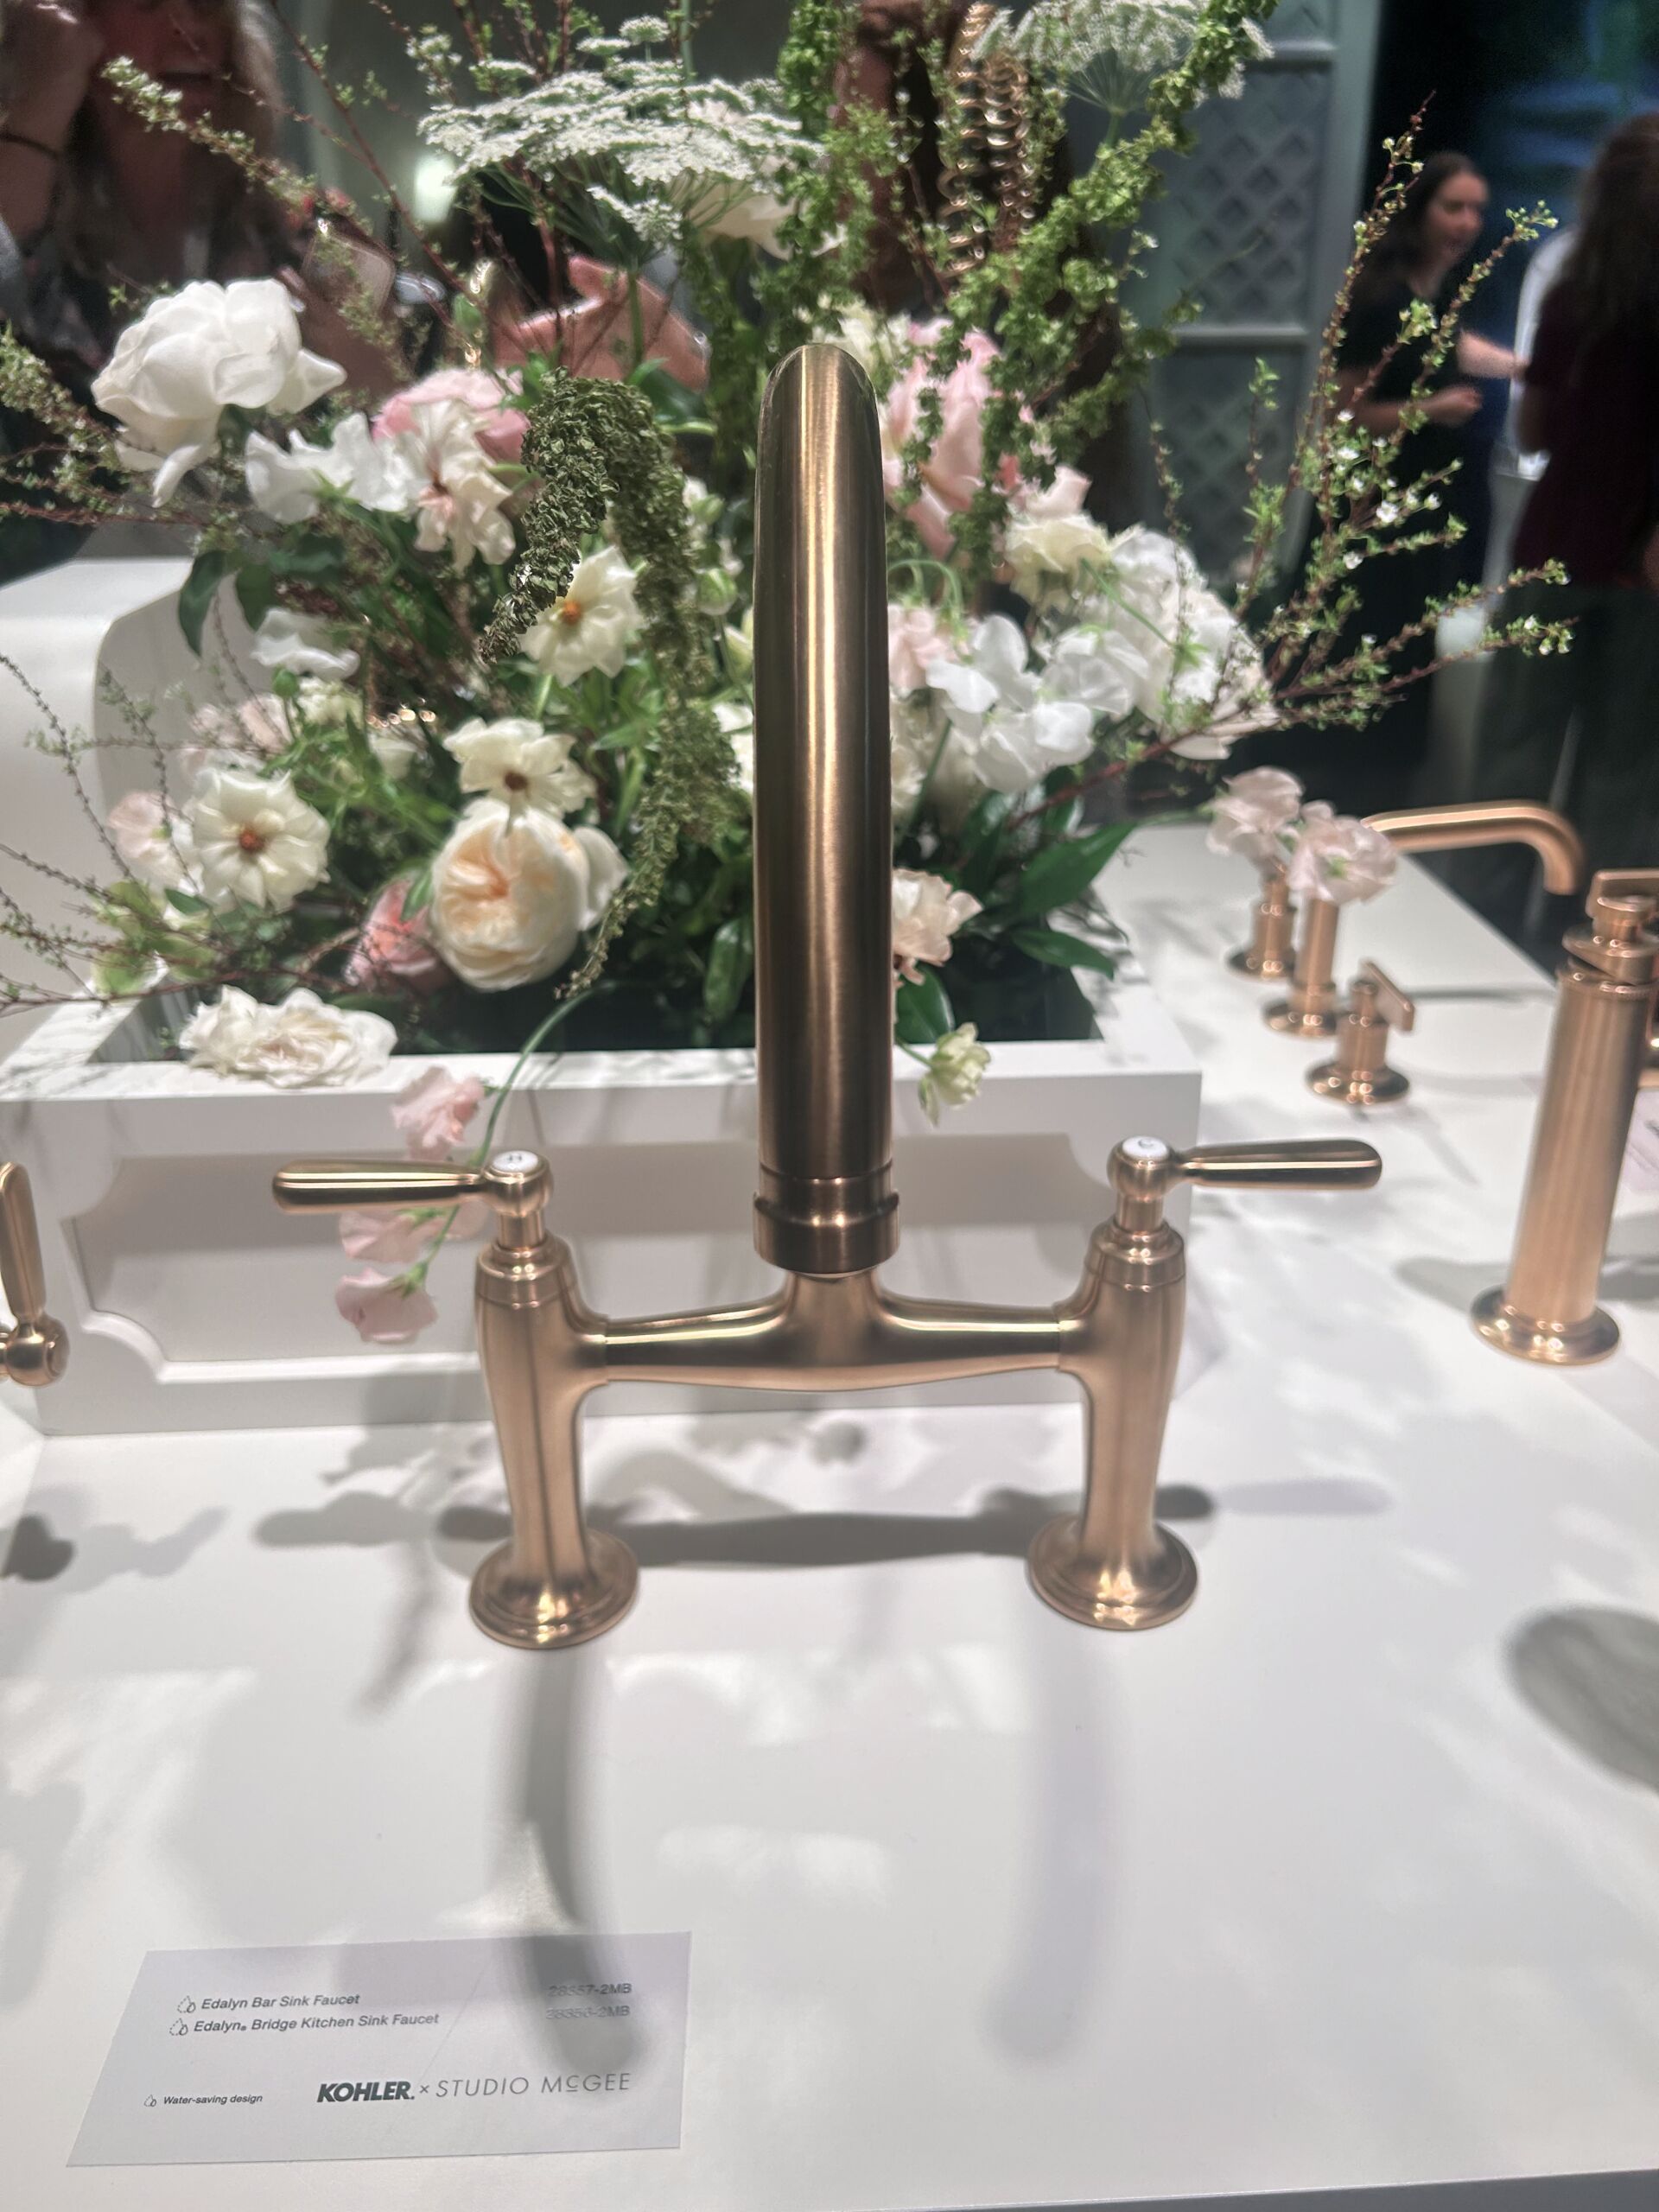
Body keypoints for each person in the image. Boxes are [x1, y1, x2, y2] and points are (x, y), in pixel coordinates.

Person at [0, 0, 401, 574]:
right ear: (73, 23)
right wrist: (39, 105)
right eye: (149, 3)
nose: (191, 29)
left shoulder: (303, 234)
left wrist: (376, 381)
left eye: (210, 6)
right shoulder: (31, 239)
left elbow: (398, 445)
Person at [1260, 153, 1518, 816]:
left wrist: (1534, 367)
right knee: (1350, 642)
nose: (1468, 223)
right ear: (1418, 211)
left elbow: (1457, 347)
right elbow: (1341, 414)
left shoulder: (1438, 300)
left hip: (1416, 514)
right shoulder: (1381, 300)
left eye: (1477, 210)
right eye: (1453, 207)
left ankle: (1372, 809)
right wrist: (1430, 409)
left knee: (1398, 650)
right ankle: (1318, 801)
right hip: (1367, 513)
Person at [1461, 115, 1659, 946]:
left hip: (1557, 547)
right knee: (1624, 770)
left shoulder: (1573, 293)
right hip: (1640, 565)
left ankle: (1483, 926)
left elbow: (1535, 428)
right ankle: (1593, 946)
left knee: (1515, 753)